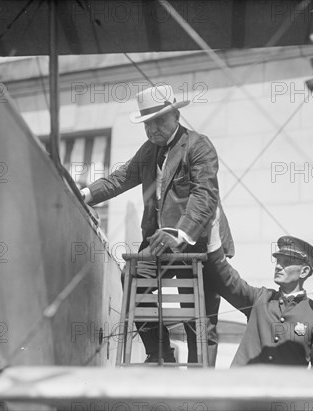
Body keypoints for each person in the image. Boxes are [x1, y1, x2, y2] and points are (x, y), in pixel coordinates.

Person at [81, 84, 236, 365]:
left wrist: (182, 233)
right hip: (160, 242)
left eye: (159, 121)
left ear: (176, 116)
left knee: (200, 320)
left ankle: (200, 387)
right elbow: (120, 178)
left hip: (199, 242)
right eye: (148, 124)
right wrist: (85, 195)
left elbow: (205, 196)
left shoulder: (199, 145)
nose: (153, 130)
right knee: (132, 280)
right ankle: (160, 351)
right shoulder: (149, 150)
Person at [212, 236, 313, 366]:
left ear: (304, 271)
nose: (278, 266)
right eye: (278, 261)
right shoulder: (260, 298)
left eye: (286, 262)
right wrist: (213, 242)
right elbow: (226, 279)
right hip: (243, 384)